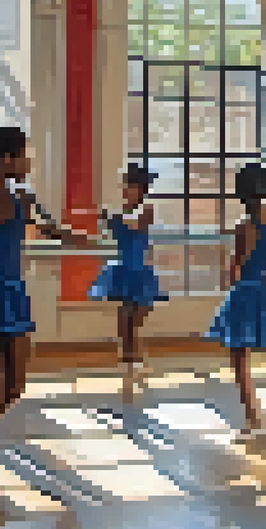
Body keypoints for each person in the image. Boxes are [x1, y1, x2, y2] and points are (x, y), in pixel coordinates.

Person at [0, 125, 93, 504]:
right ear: (6, 160)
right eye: (23, 154)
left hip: (11, 290)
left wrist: (79, 238)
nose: (29, 161)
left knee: (15, 386)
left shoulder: (24, 198)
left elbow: (47, 229)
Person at [204, 164, 266, 439]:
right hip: (263, 291)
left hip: (244, 292)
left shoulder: (243, 227)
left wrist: (228, 279)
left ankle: (253, 420)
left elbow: (236, 265)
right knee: (263, 339)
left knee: (239, 361)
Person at [87, 163, 166, 406]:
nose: (126, 190)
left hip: (138, 268)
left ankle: (135, 358)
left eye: (130, 185)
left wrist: (111, 217)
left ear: (141, 188)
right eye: (125, 185)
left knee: (137, 315)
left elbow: (134, 224)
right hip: (123, 267)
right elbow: (116, 230)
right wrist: (108, 218)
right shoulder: (123, 210)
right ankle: (128, 360)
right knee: (125, 317)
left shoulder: (146, 208)